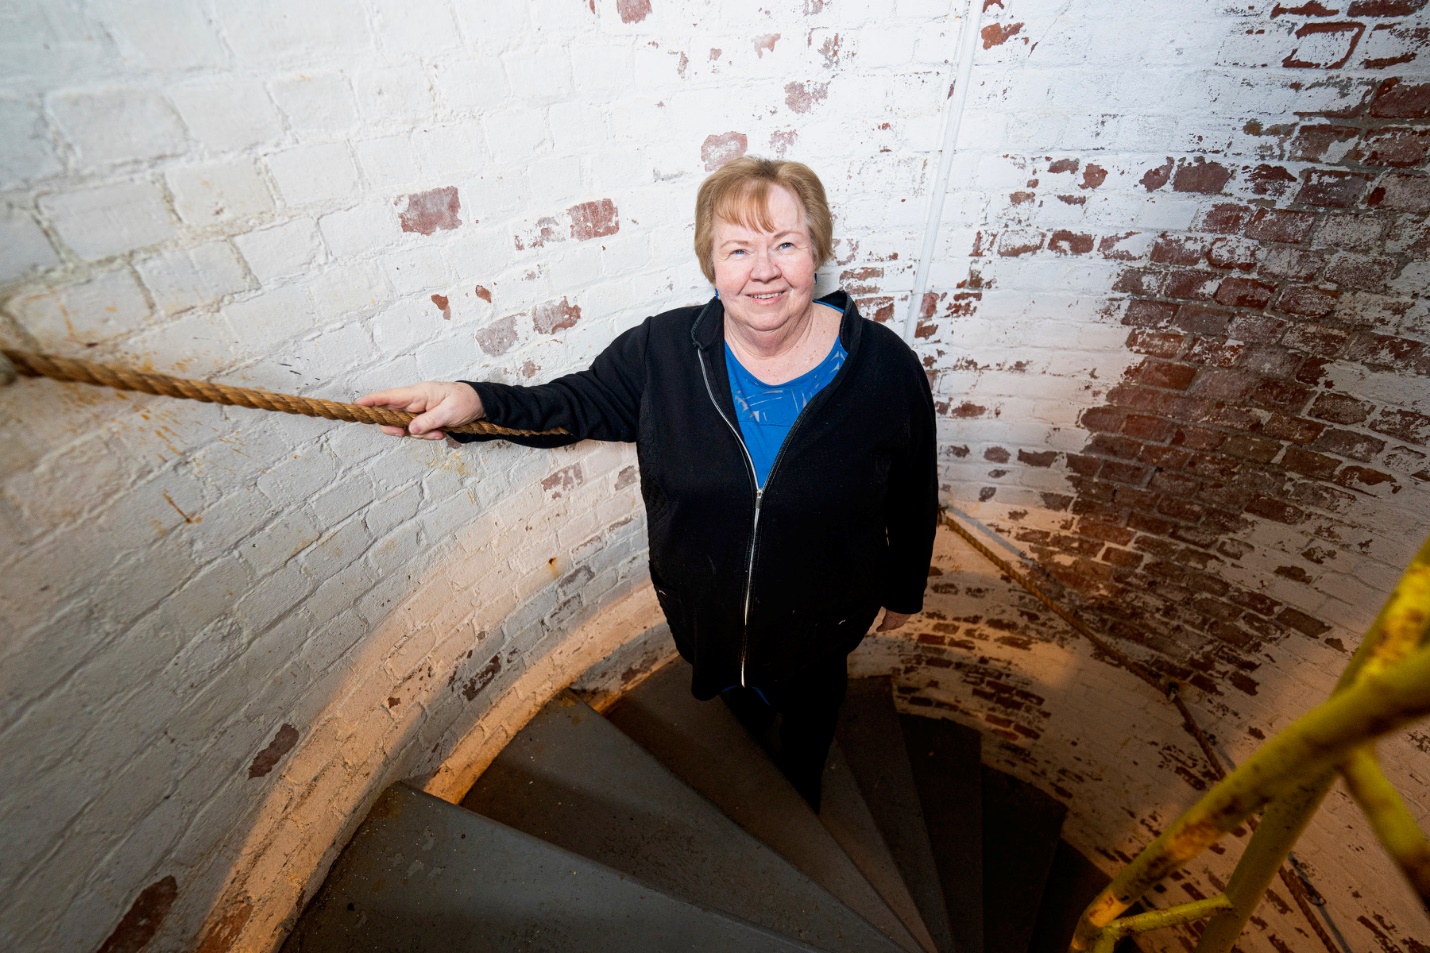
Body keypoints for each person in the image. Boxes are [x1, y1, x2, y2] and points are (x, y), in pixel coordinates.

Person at [358, 157, 938, 810]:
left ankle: (800, 789)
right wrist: (472, 400)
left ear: (816, 252)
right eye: (739, 248)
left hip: (823, 623)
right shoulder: (663, 353)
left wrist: (904, 588)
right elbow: (574, 403)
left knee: (810, 713)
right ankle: (747, 747)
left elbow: (916, 492)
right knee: (733, 701)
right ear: (711, 263)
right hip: (710, 617)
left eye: (785, 244)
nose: (765, 269)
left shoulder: (884, 371)